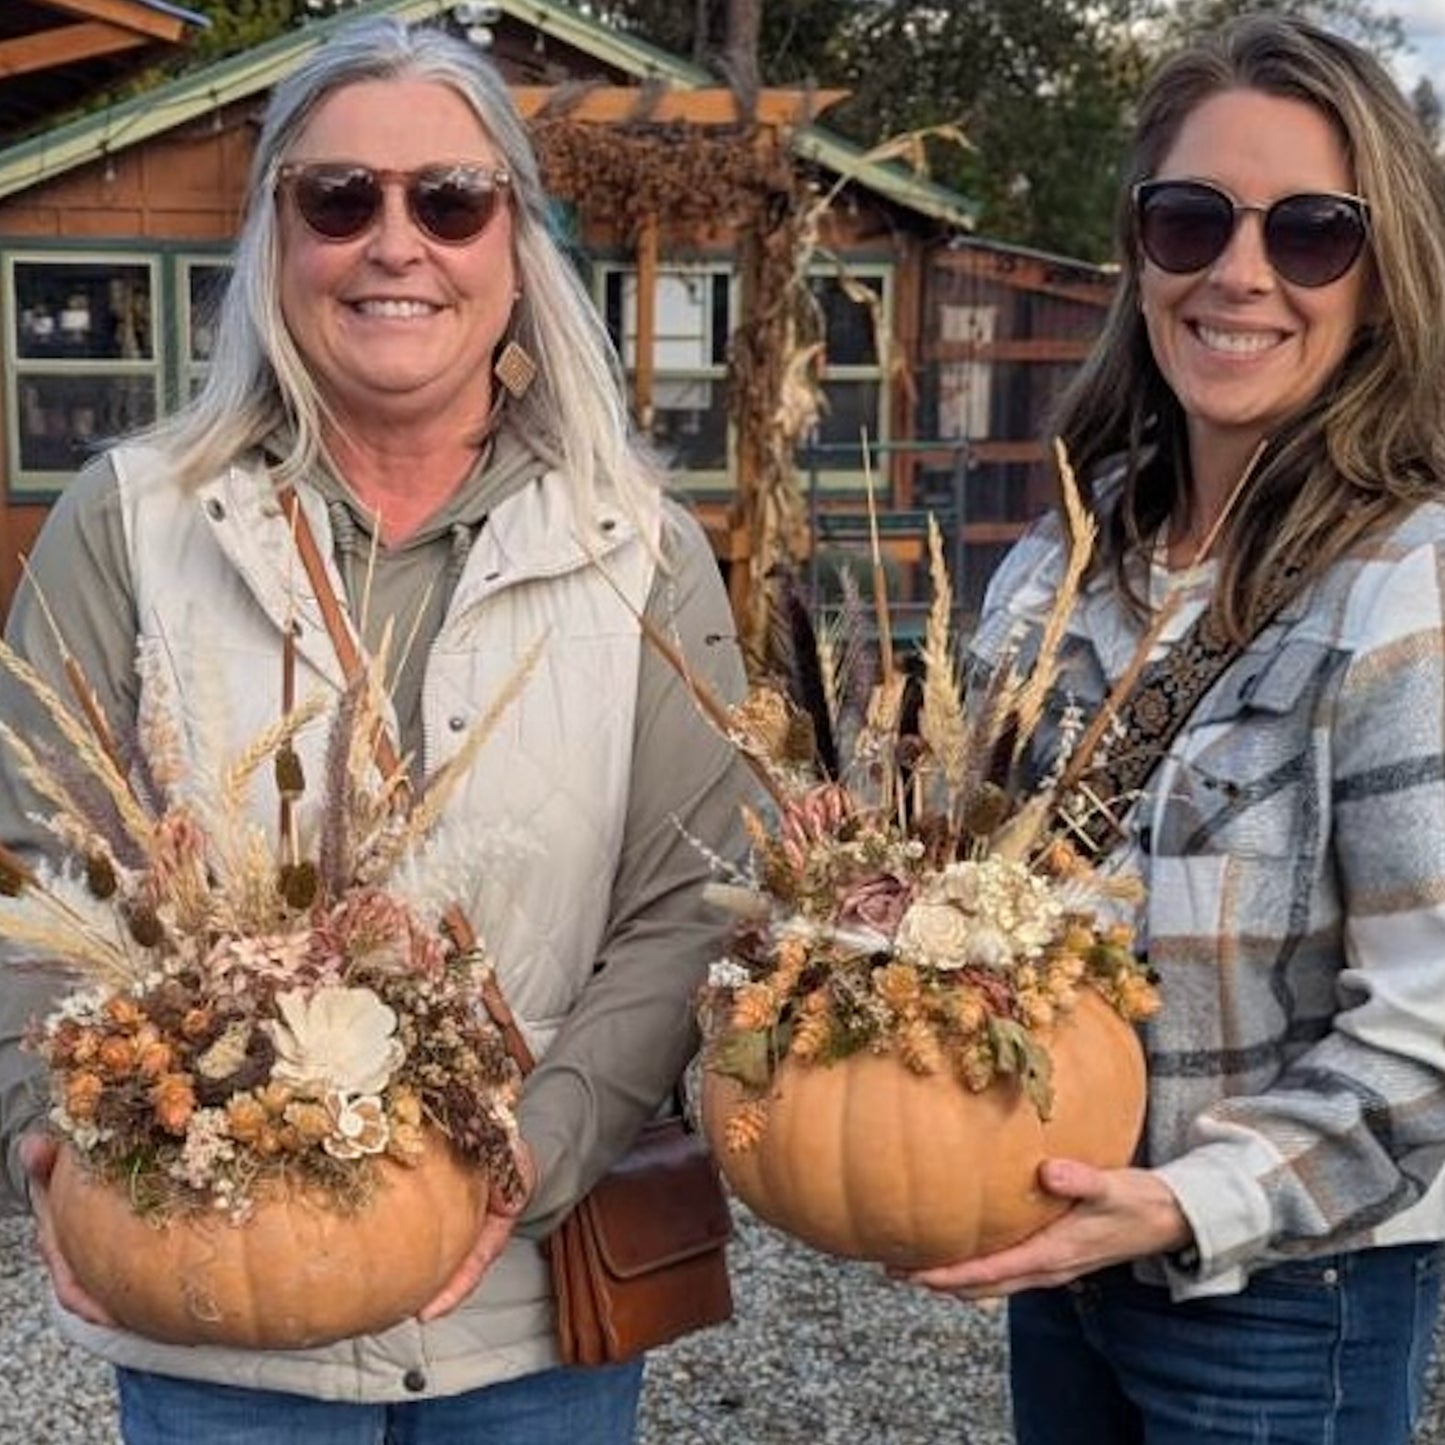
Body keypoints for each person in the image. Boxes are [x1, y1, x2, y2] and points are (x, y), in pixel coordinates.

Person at [0, 14, 748, 1444]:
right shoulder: (134, 522)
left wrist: (525, 1157)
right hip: (216, 1308)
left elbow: (686, 900)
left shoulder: (635, 546)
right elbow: (36, 870)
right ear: (277, 239)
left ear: (514, 243)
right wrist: (47, 1135)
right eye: (338, 199)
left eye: (449, 201)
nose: (394, 243)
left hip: (535, 1311)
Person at [910, 15, 1445, 1445]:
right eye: (1189, 217)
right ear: (1137, 249)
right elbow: (974, 895)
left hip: (1285, 1290)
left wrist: (1183, 1202)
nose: (1239, 273)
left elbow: (1430, 1021)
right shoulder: (1064, 566)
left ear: (1383, 275)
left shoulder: (1405, 586)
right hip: (1069, 1264)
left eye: (1311, 233)